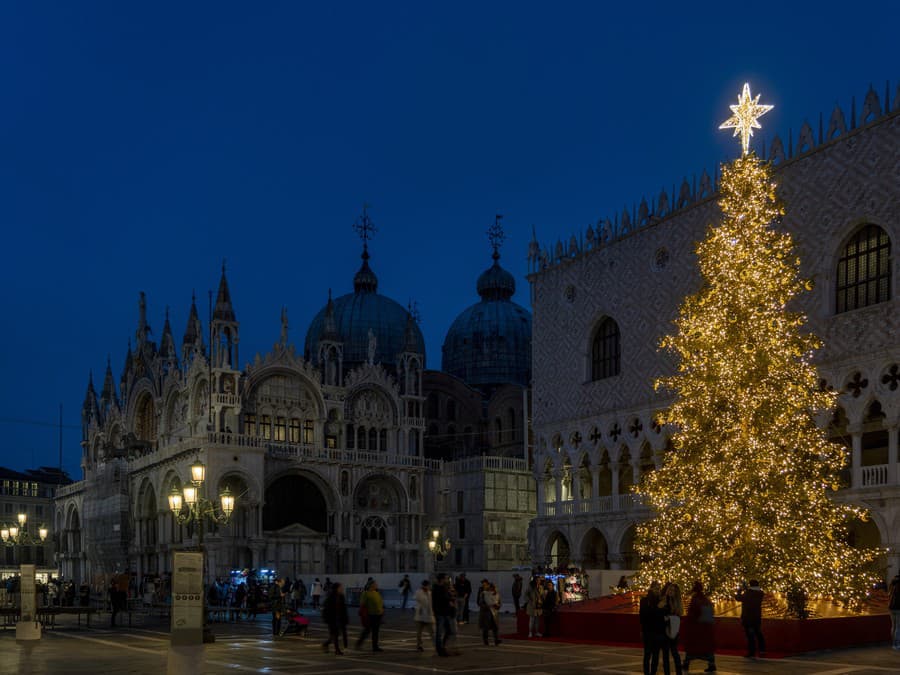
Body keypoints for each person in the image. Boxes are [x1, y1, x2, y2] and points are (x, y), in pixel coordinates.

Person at [682, 581, 716, 673]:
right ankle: (711, 664)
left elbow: (692, 614)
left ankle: (686, 663)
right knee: (707, 648)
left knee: (692, 647)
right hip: (706, 628)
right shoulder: (706, 599)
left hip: (696, 628)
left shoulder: (695, 599)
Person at [640, 581, 666, 675]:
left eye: (659, 588)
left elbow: (662, 617)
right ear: (651, 588)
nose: (658, 590)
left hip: (658, 632)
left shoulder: (661, 601)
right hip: (648, 631)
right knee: (647, 654)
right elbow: (643, 616)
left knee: (656, 655)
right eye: (656, 588)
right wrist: (658, 608)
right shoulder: (644, 600)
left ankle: (653, 673)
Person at [736, 580, 766, 658]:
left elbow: (739, 598)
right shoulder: (760, 593)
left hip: (748, 617)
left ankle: (751, 652)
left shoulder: (748, 593)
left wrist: (739, 591)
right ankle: (762, 650)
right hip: (756, 617)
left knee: (750, 635)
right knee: (758, 633)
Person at [659, 583, 684, 675]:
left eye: (672, 590)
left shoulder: (676, 602)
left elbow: (678, 615)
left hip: (672, 631)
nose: (670, 591)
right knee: (666, 655)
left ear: (676, 592)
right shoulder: (664, 600)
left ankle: (679, 672)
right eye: (669, 589)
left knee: (674, 653)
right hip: (665, 631)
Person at [356, 579, 385, 652]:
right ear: (371, 585)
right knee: (367, 630)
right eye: (375, 584)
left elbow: (380, 602)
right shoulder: (366, 593)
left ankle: (375, 647)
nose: (376, 585)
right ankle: (359, 643)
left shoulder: (376, 593)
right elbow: (362, 604)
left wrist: (381, 611)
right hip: (370, 615)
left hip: (378, 615)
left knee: (375, 632)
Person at [432, 573, 456, 656]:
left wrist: (451, 596)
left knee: (449, 631)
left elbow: (447, 597)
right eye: (446, 578)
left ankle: (443, 646)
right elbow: (441, 599)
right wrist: (450, 599)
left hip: (446, 612)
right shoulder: (437, 588)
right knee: (439, 632)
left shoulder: (444, 588)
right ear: (442, 579)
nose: (447, 580)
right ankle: (440, 649)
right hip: (440, 613)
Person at [321, 582, 348, 655]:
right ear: (336, 589)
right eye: (340, 587)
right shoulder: (330, 597)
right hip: (332, 619)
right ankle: (337, 650)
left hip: (339, 618)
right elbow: (326, 609)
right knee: (335, 635)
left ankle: (326, 644)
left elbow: (343, 608)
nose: (342, 589)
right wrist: (326, 619)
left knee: (335, 635)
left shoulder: (341, 596)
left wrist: (345, 618)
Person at [478, 579, 502, 646]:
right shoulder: (483, 593)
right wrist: (487, 606)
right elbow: (480, 603)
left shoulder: (496, 594)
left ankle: (496, 640)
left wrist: (497, 606)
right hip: (486, 613)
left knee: (495, 627)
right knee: (486, 628)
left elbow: (499, 602)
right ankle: (485, 640)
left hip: (494, 612)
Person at [413, 579, 435, 651]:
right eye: (426, 585)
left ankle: (436, 645)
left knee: (432, 632)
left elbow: (431, 603)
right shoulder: (418, 592)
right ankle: (419, 646)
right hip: (420, 615)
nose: (427, 587)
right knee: (419, 633)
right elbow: (418, 599)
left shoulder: (430, 593)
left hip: (429, 615)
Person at [889, 572, 900, 650]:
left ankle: (893, 643)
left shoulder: (893, 583)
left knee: (894, 626)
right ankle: (896, 644)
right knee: (898, 628)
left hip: (891, 607)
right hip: (898, 607)